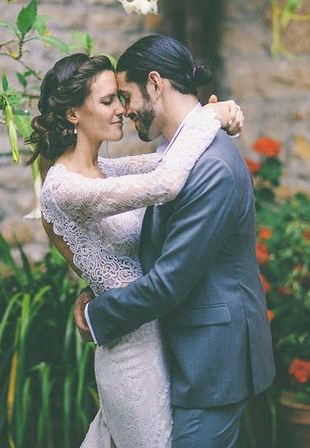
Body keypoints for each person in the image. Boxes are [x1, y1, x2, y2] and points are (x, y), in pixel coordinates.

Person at [29, 46, 243, 447]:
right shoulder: (64, 186)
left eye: (121, 99)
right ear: (74, 113)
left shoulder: (105, 170)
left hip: (154, 333)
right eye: (109, 100)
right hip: (129, 350)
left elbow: (167, 159)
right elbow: (164, 184)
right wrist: (210, 116)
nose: (122, 111)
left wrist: (214, 117)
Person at [74, 35, 276, 447]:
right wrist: (99, 283)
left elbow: (171, 279)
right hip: (189, 350)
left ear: (155, 83)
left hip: (213, 359)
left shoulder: (211, 166)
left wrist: (98, 315)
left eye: (126, 96)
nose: (125, 111)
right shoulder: (181, 151)